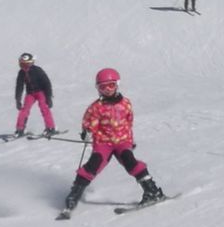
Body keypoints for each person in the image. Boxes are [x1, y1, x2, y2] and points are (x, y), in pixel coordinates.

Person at [60, 68, 165, 216]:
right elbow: (89, 123)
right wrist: (87, 132)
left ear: (117, 85)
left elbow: (128, 122)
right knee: (94, 164)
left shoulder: (126, 103)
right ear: (98, 88)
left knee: (130, 161)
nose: (107, 90)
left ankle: (152, 191)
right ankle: (73, 196)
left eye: (111, 85)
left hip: (122, 141)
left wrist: (130, 140)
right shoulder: (96, 107)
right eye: (103, 87)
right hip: (103, 143)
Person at [14, 53, 58, 137]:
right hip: (30, 93)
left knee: (44, 107)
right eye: (22, 64)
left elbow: (47, 83)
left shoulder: (37, 70)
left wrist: (48, 97)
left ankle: (50, 127)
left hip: (41, 92)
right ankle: (20, 129)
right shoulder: (21, 73)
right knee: (24, 110)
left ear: (31, 63)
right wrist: (18, 99)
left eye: (27, 64)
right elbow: (19, 86)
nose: (25, 67)